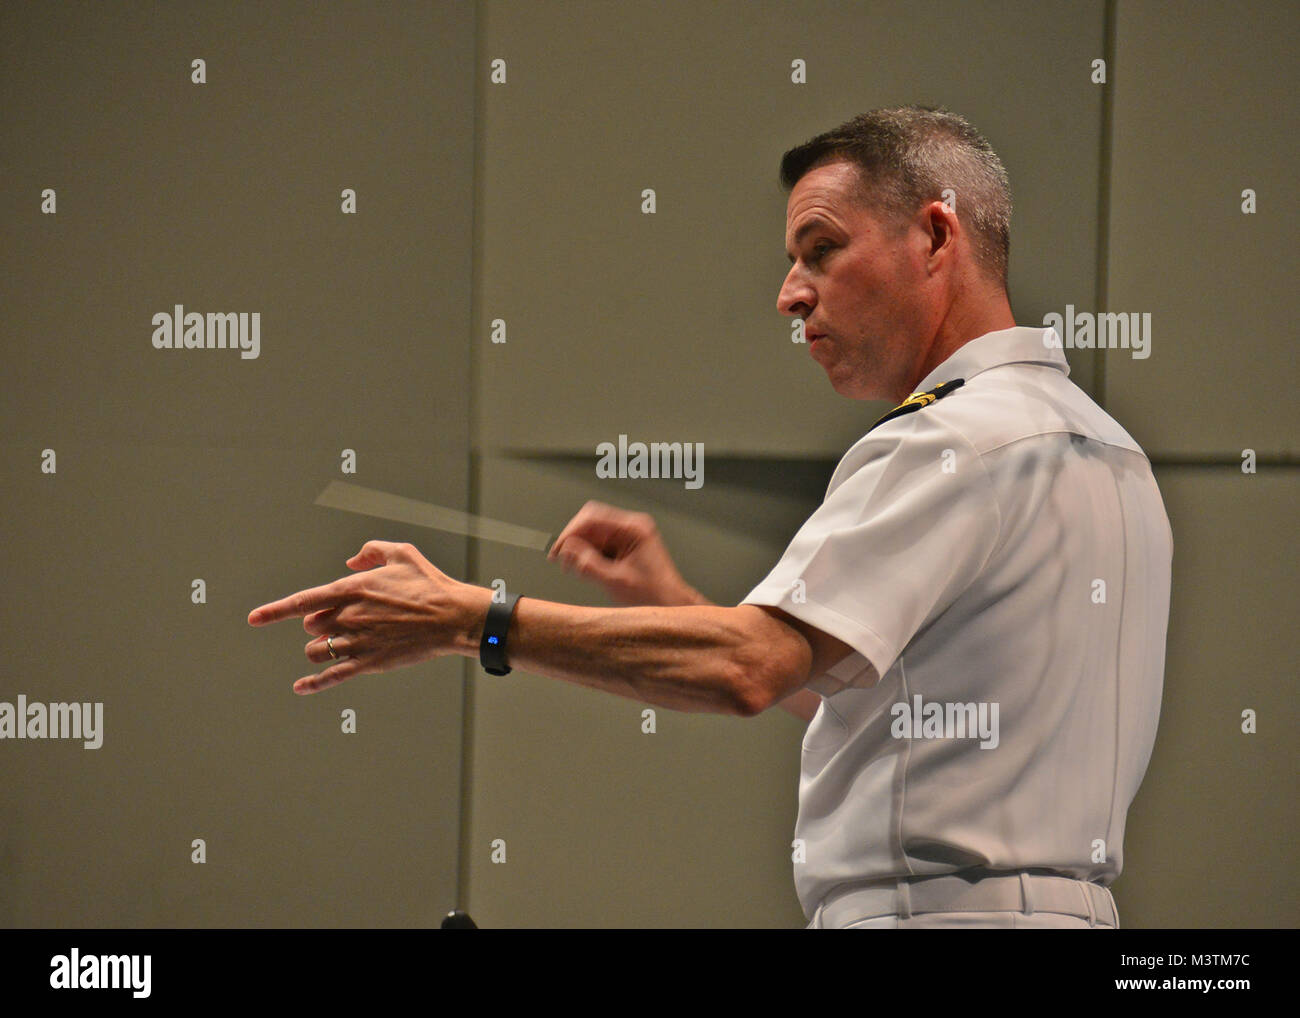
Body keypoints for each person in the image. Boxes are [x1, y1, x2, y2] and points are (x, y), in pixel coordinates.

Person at [248, 106, 1172, 929]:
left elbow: (748, 668)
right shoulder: (1110, 455)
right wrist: (677, 599)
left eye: (820, 251)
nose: (789, 295)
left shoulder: (948, 443)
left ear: (936, 235)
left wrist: (474, 620)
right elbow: (912, 717)